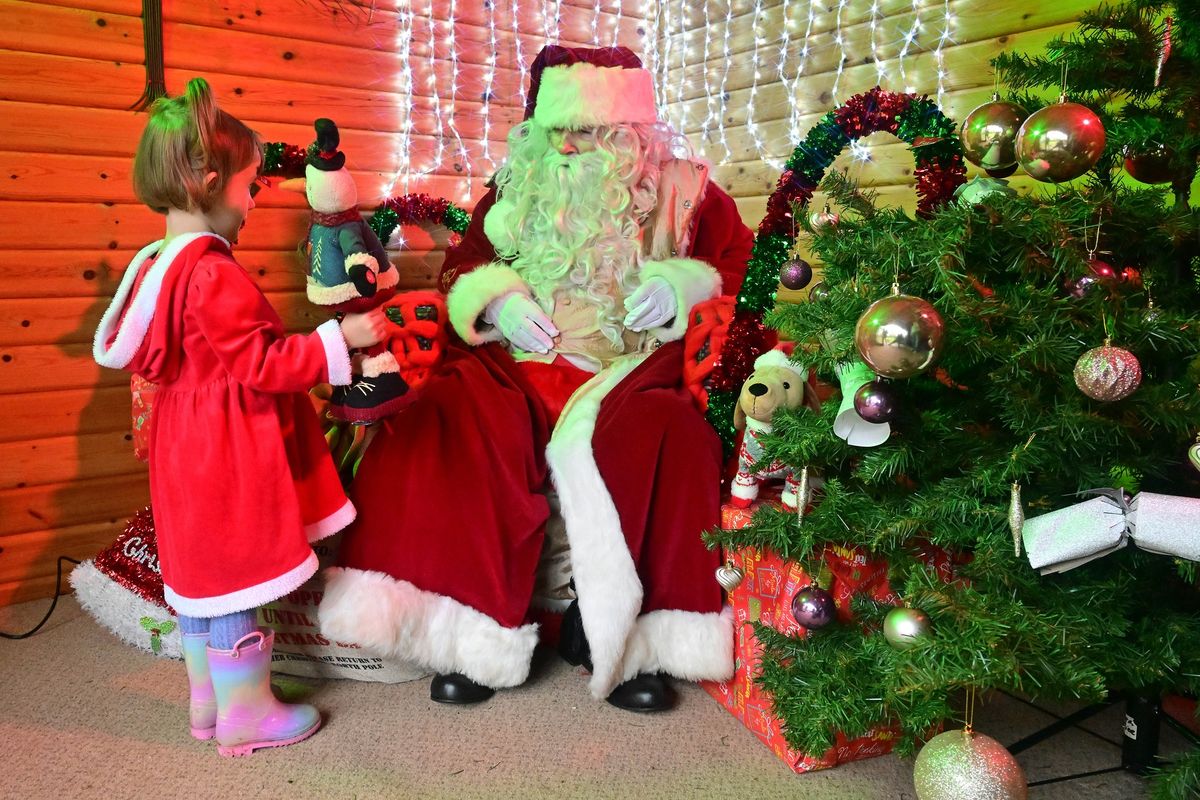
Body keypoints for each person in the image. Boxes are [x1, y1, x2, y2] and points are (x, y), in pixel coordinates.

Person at [319, 45, 753, 711]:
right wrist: (498, 301)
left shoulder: (689, 193)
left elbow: (740, 279)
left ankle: (625, 643)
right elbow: (461, 270)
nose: (572, 147)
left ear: (633, 133)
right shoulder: (515, 188)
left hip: (630, 368)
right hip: (514, 368)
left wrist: (683, 288)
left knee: (665, 432)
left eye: (592, 132)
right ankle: (464, 635)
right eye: (558, 131)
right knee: (446, 418)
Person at [92, 78, 387, 756]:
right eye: (250, 186)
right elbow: (262, 363)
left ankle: (208, 700)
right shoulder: (212, 274)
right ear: (207, 178)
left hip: (182, 442)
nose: (253, 202)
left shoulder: (159, 266)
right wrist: (339, 343)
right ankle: (247, 712)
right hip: (222, 446)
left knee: (200, 576)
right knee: (235, 575)